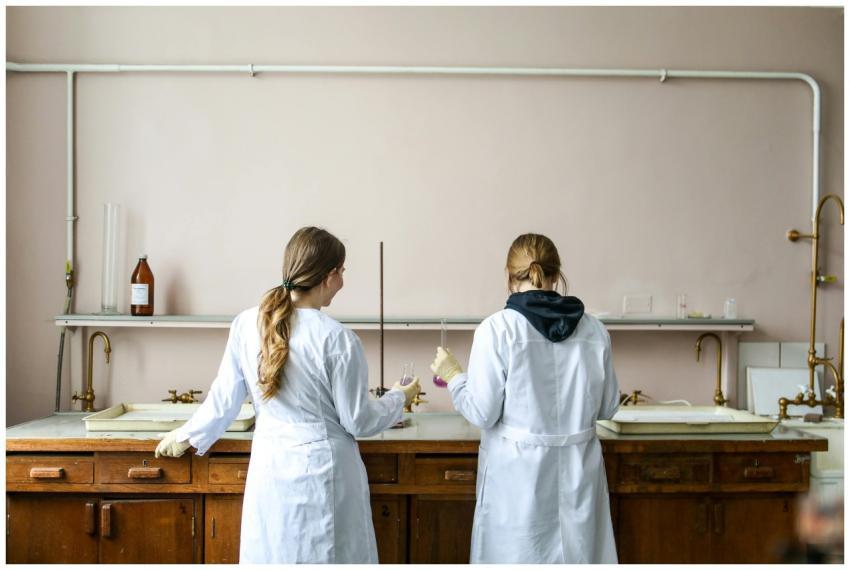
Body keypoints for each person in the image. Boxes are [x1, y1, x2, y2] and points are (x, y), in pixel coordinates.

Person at [155, 226, 421, 564]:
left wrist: (187, 435)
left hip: (272, 468)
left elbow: (225, 398)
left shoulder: (247, 324)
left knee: (274, 554)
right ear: (329, 275)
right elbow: (359, 421)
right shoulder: (337, 339)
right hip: (324, 472)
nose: (342, 282)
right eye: (342, 272)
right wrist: (399, 397)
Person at [430, 233, 620, 564]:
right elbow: (607, 407)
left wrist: (454, 376)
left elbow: (482, 412)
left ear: (508, 276)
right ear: (556, 274)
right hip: (578, 474)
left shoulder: (497, 330)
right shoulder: (593, 330)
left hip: (517, 479)